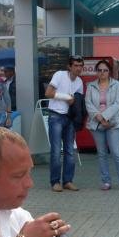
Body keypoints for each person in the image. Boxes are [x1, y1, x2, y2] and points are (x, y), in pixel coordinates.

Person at [86, 59, 119, 191]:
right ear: (96, 72)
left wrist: (105, 117)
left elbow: (117, 103)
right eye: (99, 70)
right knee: (102, 154)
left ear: (109, 72)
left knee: (116, 152)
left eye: (105, 70)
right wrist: (100, 118)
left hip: (113, 123)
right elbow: (88, 103)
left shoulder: (116, 85)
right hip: (97, 123)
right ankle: (106, 181)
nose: (102, 73)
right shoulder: (91, 86)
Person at [45, 55, 84, 192]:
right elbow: (48, 92)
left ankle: (67, 181)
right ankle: (55, 182)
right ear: (69, 66)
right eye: (76, 65)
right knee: (56, 151)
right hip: (56, 115)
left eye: (81, 66)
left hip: (70, 118)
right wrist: (66, 97)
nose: (79, 68)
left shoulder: (79, 82)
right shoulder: (59, 75)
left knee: (70, 151)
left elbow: (77, 101)